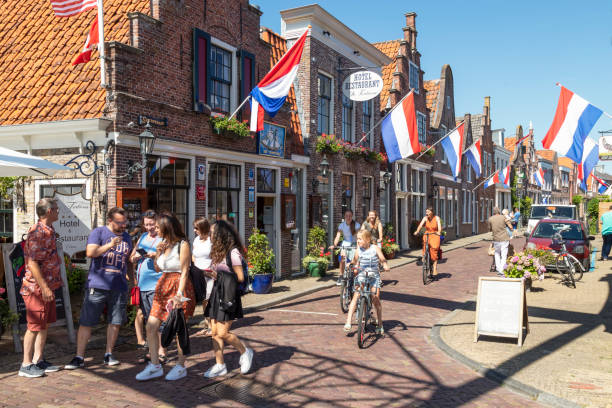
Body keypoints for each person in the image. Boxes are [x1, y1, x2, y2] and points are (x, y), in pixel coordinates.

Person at [65, 207, 133, 370]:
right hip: (98, 284)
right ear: (110, 221)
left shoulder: (127, 237)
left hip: (119, 285)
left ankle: (108, 354)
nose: (123, 225)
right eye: (119, 222)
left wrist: (132, 279)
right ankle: (79, 356)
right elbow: (90, 252)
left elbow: (128, 260)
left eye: (125, 222)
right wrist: (110, 244)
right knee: (87, 321)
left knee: (115, 321)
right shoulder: (99, 233)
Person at [136, 212, 195, 381]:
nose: (154, 230)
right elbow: (157, 269)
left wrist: (179, 295)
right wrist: (158, 255)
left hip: (178, 287)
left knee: (178, 329)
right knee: (151, 326)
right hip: (162, 286)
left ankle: (180, 366)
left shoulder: (182, 245)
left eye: (157, 227)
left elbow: (185, 271)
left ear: (166, 227)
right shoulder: (163, 244)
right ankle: (155, 365)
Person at [203, 220, 253, 378]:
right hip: (217, 293)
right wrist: (210, 273)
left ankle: (245, 352)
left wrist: (220, 275)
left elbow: (239, 277)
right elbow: (220, 273)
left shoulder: (233, 253)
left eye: (212, 233)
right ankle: (220, 365)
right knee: (215, 333)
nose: (210, 235)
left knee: (223, 333)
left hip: (229, 296)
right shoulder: (218, 252)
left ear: (220, 235)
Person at [18, 198, 62, 378]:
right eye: (57, 209)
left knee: (44, 324)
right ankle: (25, 364)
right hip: (36, 288)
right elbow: (33, 263)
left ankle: (38, 359)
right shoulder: (38, 233)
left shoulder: (49, 231)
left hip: (48, 286)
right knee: (34, 325)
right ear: (49, 211)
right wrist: (44, 287)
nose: (59, 212)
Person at [129, 210, 166, 364]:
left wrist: (154, 256)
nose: (149, 227)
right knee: (147, 318)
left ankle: (161, 351)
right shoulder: (142, 237)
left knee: (156, 318)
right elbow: (131, 257)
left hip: (156, 283)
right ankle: (152, 351)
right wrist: (136, 256)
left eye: (152, 224)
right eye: (146, 224)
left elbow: (167, 261)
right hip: (142, 285)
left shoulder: (163, 239)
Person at [343, 229, 389, 335]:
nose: (358, 241)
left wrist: (385, 264)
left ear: (368, 239)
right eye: (357, 239)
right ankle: (348, 322)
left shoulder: (375, 248)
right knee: (356, 296)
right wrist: (350, 264)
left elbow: (382, 258)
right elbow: (354, 261)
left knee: (375, 300)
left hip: (374, 277)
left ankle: (380, 324)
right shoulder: (358, 250)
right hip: (362, 276)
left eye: (360, 239)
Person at [192, 217, 213, 336]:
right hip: (198, 273)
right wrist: (196, 268)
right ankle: (206, 323)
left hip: (209, 273)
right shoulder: (196, 240)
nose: (195, 230)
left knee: (208, 299)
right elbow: (193, 255)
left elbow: (216, 257)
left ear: (203, 228)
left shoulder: (212, 240)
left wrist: (210, 270)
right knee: (203, 300)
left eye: (197, 228)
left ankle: (211, 326)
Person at [330, 209, 361, 286]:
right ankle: (341, 276)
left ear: (352, 216)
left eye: (350, 216)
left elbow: (358, 237)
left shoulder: (356, 225)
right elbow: (338, 236)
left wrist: (358, 246)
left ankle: (356, 277)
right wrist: (334, 245)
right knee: (342, 258)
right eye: (347, 216)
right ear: (344, 216)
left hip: (354, 244)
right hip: (345, 244)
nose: (348, 217)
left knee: (355, 261)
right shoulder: (342, 225)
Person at [413, 208, 442, 279]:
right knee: (425, 244)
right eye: (426, 212)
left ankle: (434, 268)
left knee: (434, 248)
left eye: (428, 212)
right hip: (428, 234)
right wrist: (417, 231)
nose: (426, 213)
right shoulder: (425, 218)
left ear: (432, 212)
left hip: (435, 234)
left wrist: (439, 232)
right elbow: (420, 225)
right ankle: (424, 255)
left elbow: (439, 227)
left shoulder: (437, 218)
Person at [488, 207, 513, 276]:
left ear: (493, 212)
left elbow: (490, 229)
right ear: (499, 212)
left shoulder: (490, 219)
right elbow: (510, 226)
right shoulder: (503, 217)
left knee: (497, 254)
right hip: (504, 238)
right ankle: (502, 270)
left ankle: (499, 269)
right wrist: (511, 229)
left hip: (496, 239)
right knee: (504, 254)